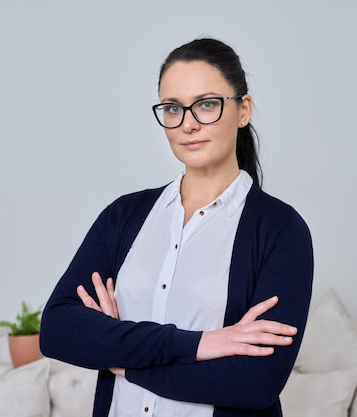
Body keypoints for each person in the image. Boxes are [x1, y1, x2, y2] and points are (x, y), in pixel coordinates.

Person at [40, 38, 313, 417]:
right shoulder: (124, 215)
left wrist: (123, 360)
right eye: (173, 108)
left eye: (206, 104)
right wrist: (201, 344)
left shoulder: (281, 230)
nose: (188, 124)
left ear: (243, 109)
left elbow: (254, 384)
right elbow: (57, 330)